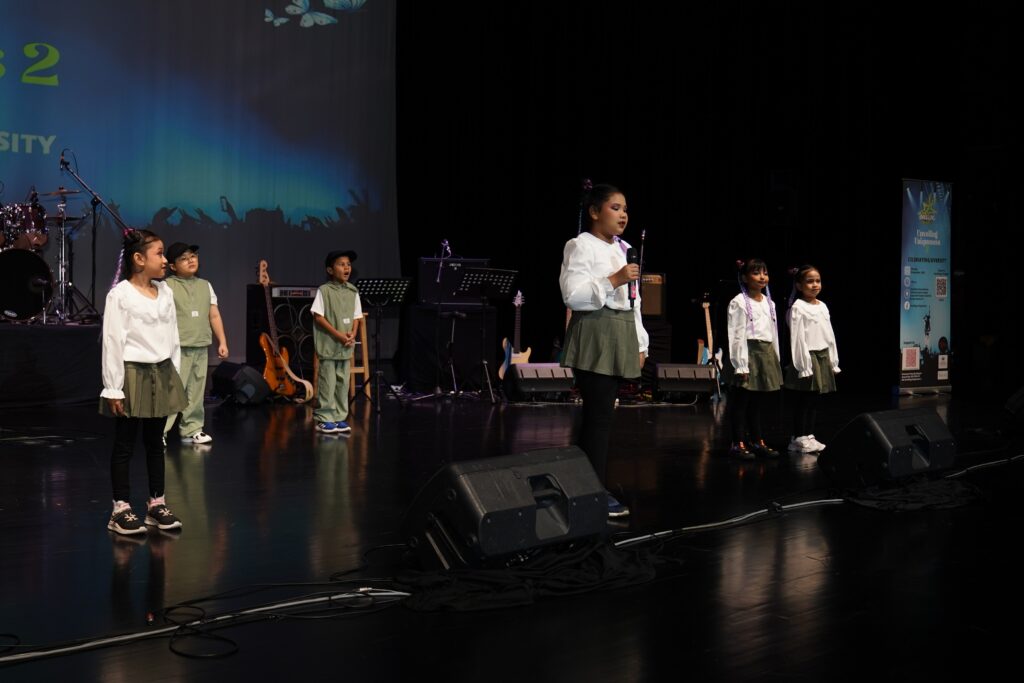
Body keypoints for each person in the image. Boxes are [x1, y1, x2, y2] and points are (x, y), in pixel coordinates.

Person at [559, 183, 648, 518]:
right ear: (594, 212)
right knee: (598, 418)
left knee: (604, 417)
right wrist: (613, 279)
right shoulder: (581, 245)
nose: (623, 214)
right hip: (595, 329)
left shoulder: (623, 249)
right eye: (615, 207)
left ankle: (583, 487)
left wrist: (640, 342)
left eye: (625, 208)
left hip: (621, 329)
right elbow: (573, 296)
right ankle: (591, 491)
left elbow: (634, 301)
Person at [100, 229, 187, 535]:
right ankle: (120, 508)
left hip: (160, 373)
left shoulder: (165, 292)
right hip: (132, 374)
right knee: (125, 444)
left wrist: (172, 373)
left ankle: (156, 503)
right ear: (139, 259)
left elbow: (172, 336)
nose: (165, 260)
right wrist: (113, 386)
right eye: (160, 254)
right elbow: (112, 341)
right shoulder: (120, 295)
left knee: (155, 443)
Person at [162, 242, 229, 445]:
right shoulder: (167, 286)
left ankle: (192, 428)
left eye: (193, 256)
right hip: (178, 348)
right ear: (172, 266)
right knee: (174, 390)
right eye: (183, 258)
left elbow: (214, 315)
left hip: (201, 345)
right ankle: (160, 431)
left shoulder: (205, 285)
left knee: (197, 390)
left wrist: (222, 341)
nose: (191, 260)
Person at [726, 258, 782, 459]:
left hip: (764, 354)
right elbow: (736, 334)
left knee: (757, 402)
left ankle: (757, 440)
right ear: (744, 277)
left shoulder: (769, 302)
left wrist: (774, 356)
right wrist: (740, 364)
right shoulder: (739, 302)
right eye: (756, 273)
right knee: (741, 401)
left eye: (765, 273)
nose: (762, 277)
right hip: (747, 354)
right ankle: (737, 442)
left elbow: (773, 332)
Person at [783, 265, 839, 453]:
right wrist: (804, 365)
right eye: (809, 281)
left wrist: (833, 359)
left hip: (822, 355)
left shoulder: (822, 305)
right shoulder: (798, 307)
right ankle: (798, 437)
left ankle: (808, 435)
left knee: (814, 399)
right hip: (808, 357)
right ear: (799, 285)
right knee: (804, 400)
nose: (815, 285)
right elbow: (798, 338)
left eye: (818, 281)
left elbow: (829, 334)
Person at [312, 249, 362, 434]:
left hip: (346, 346)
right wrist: (339, 335)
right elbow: (319, 317)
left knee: (343, 382)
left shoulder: (352, 291)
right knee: (328, 381)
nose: (346, 267)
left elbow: (357, 316)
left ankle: (340, 416)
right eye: (341, 264)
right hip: (329, 346)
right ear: (330, 270)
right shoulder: (324, 291)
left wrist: (353, 334)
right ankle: (325, 417)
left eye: (348, 264)